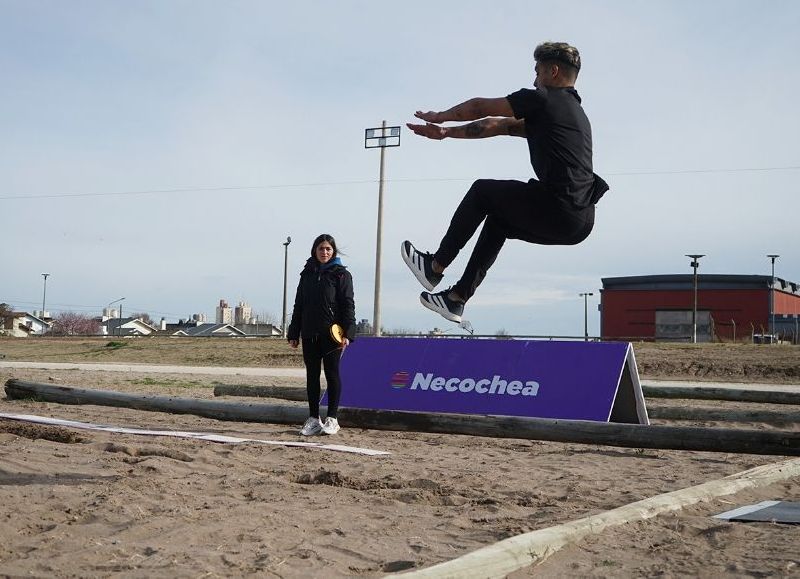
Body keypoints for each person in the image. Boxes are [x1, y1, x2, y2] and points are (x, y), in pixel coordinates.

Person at [402, 41, 608, 323]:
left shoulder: (545, 99)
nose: (534, 80)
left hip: (559, 206)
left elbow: (479, 108)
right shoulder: (571, 113)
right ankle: (456, 298)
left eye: (537, 72)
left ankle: (435, 266)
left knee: (482, 192)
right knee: (500, 220)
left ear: (554, 72)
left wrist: (440, 117)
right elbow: (499, 125)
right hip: (579, 221)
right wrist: (447, 133)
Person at [287, 234, 356, 436]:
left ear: (333, 251)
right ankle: (313, 418)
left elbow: (348, 305)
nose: (324, 252)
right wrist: (294, 332)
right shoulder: (306, 274)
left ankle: (332, 419)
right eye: (321, 249)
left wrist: (348, 333)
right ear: (314, 251)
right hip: (309, 333)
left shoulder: (341, 275)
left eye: (328, 249)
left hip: (333, 335)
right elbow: (299, 305)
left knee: (332, 373)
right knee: (312, 376)